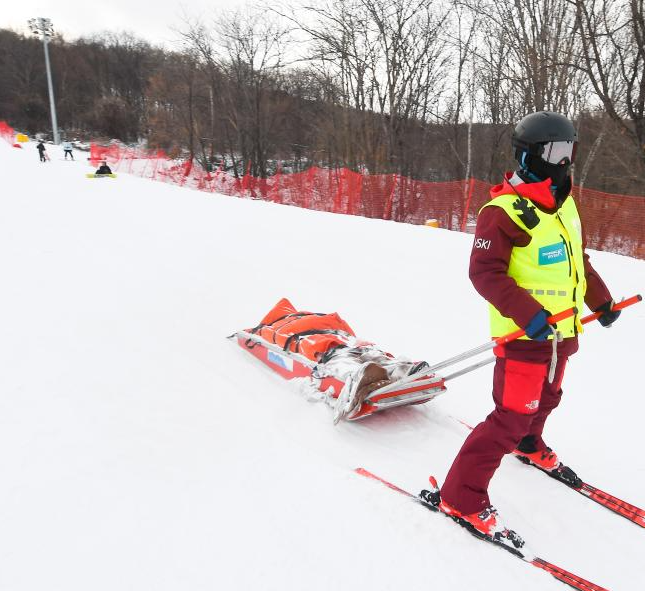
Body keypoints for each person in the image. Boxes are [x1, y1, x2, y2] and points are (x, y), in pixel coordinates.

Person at [422, 111, 621, 543]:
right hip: (526, 337)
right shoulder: (502, 211)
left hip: (562, 334)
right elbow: (485, 273)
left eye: (570, 150)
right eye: (555, 151)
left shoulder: (565, 205)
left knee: (549, 397)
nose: (565, 162)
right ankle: (461, 496)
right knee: (509, 417)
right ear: (530, 154)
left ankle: (529, 445)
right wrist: (528, 314)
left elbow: (577, 263)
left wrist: (600, 300)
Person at [248, 298, 429, 418]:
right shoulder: (315, 315)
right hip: (348, 339)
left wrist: (253, 334)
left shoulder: (274, 326)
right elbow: (341, 322)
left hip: (325, 345)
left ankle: (359, 375)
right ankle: (401, 368)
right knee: (371, 352)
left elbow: (273, 338)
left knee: (339, 359)